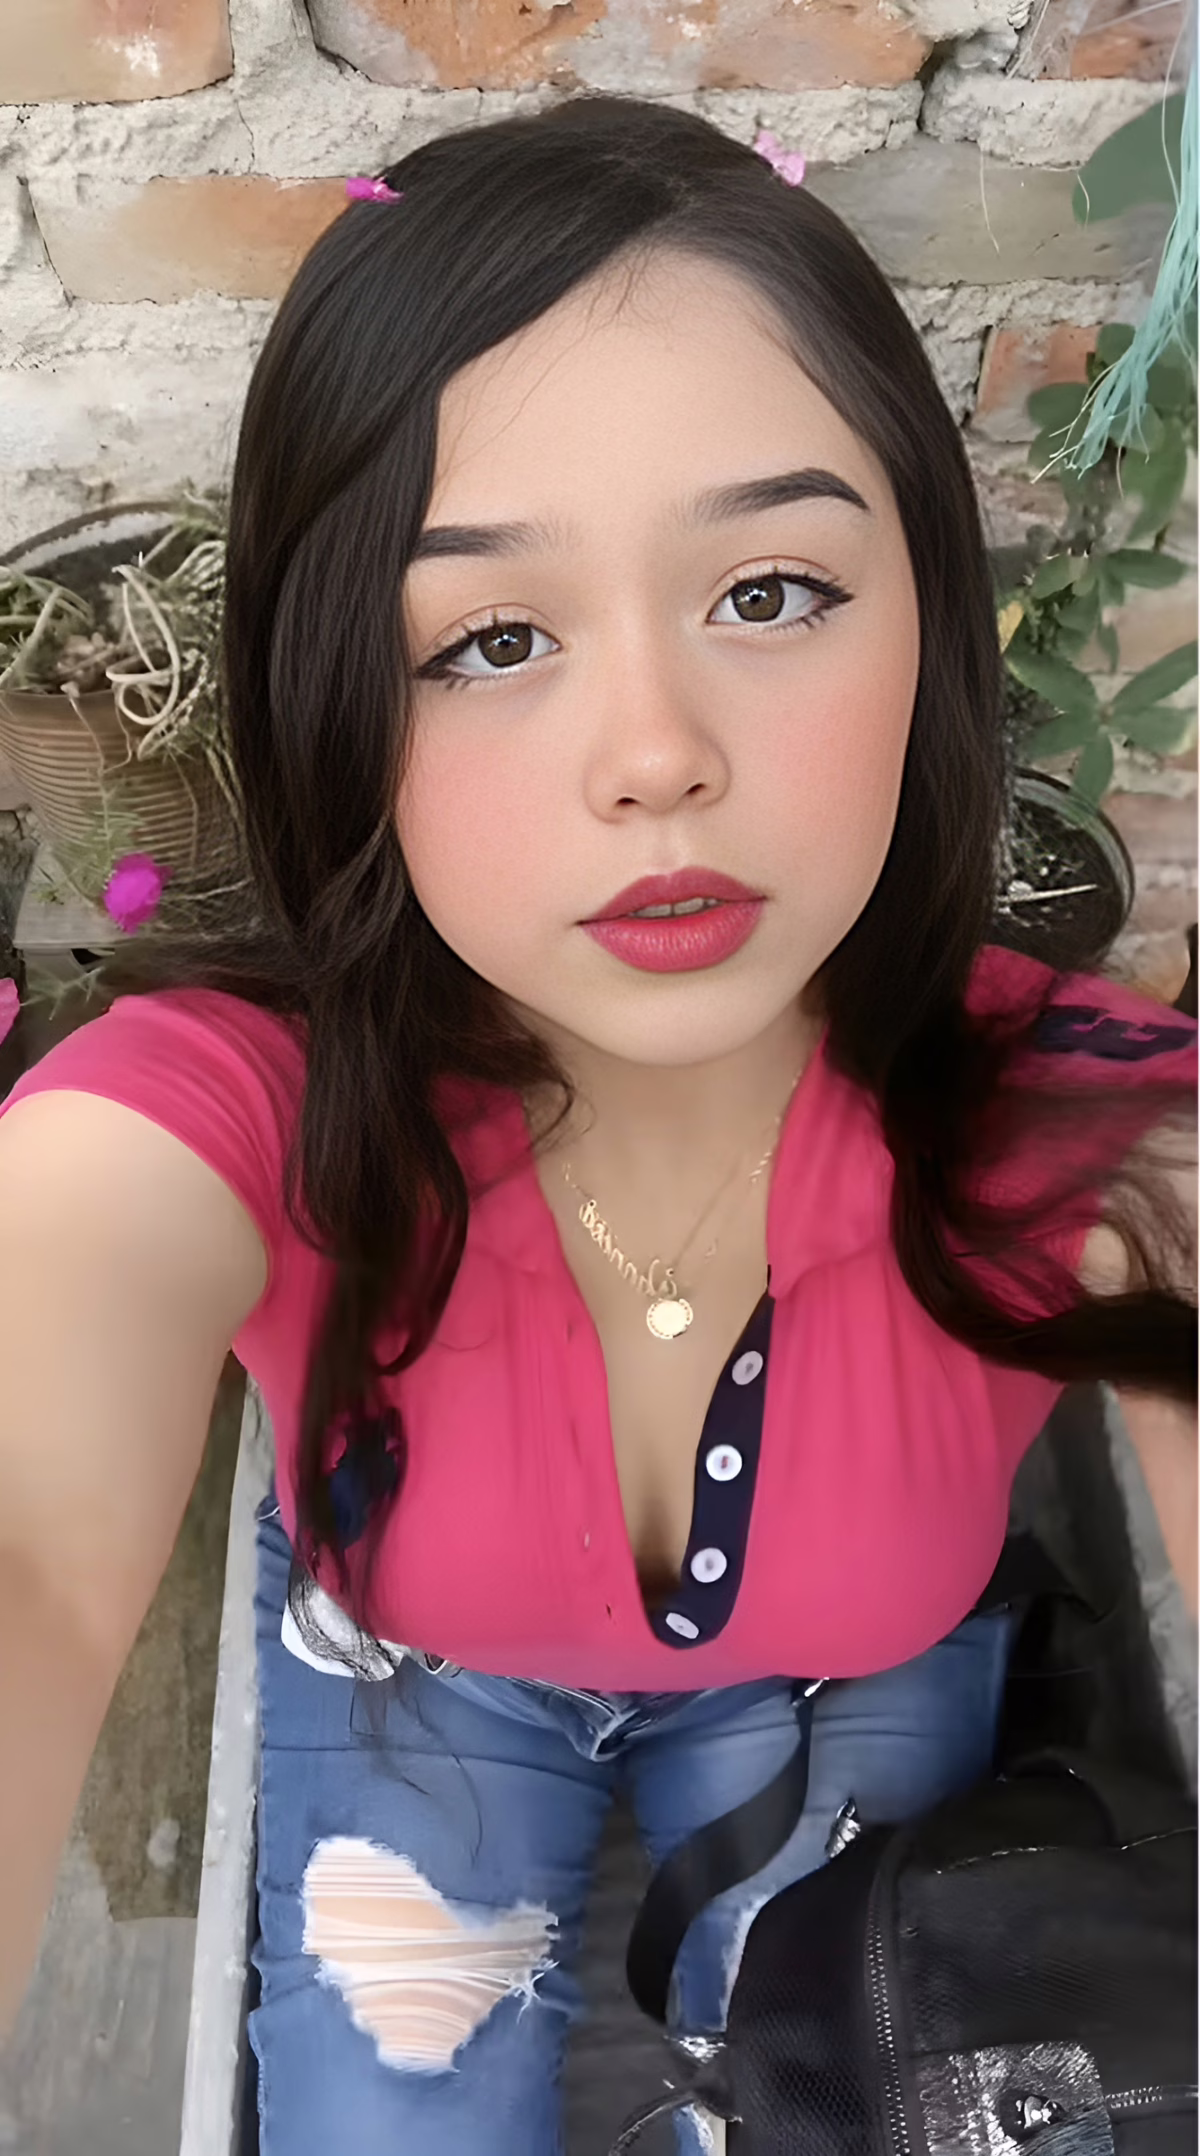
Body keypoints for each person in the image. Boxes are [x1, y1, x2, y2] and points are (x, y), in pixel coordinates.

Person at [0, 94, 1195, 2156]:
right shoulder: (229, 1114)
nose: (655, 754)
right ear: (332, 701)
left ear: (927, 615)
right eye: (491, 640)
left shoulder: (1084, 1127)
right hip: (415, 1677)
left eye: (772, 592)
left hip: (851, 1681)